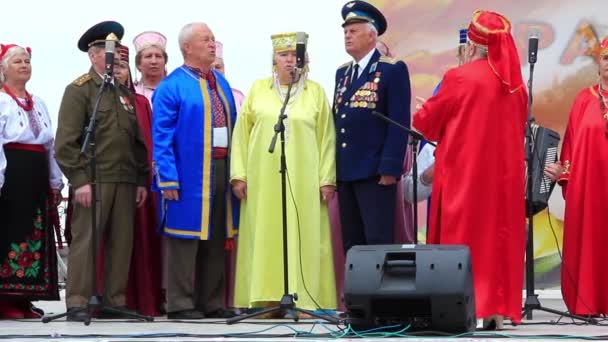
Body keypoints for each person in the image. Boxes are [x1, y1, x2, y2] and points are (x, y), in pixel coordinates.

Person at [413, 10, 527, 328]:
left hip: (466, 177)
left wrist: (425, 109)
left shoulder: (459, 77)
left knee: (465, 239)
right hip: (503, 181)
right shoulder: (516, 87)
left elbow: (426, 123)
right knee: (497, 240)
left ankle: (463, 308)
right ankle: (495, 310)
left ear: (472, 46)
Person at [230, 31, 337, 316]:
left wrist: (327, 178)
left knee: (304, 234)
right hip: (263, 177)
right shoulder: (257, 90)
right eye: (284, 55)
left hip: (305, 178)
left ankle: (304, 300)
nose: (290, 61)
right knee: (265, 234)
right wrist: (239, 174)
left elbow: (327, 139)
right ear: (274, 60)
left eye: (296, 56)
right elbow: (242, 135)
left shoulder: (316, 92)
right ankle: (266, 299)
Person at [54, 21, 149, 322]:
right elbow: (65, 144)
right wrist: (80, 180)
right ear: (94, 55)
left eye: (119, 51)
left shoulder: (123, 93)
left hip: (125, 178)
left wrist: (141, 180)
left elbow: (135, 142)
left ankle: (114, 299)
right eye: (110, 51)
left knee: (122, 242)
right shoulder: (80, 90)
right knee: (86, 241)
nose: (117, 57)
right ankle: (78, 301)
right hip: (94, 179)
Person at [152, 22, 238, 320]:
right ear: (187, 47)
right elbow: (160, 136)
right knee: (184, 239)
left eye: (214, 39)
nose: (213, 44)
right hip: (187, 173)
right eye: (206, 39)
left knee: (215, 236)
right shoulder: (171, 85)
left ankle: (212, 301)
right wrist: (168, 178)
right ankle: (180, 303)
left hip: (221, 168)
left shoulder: (221, 82)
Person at [333, 0, 411, 254]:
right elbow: (340, 121)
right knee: (352, 244)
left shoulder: (391, 69)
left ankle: (380, 295)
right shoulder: (342, 73)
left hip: (375, 172)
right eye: (345, 31)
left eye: (353, 30)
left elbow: (398, 123)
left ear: (371, 34)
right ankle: (357, 294)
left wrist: (389, 168)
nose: (347, 35)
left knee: (377, 242)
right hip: (346, 172)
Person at [544, 37, 608, 316]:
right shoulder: (584, 99)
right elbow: (570, 145)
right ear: (599, 64)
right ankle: (590, 302)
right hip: (590, 187)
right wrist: (563, 171)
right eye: (606, 58)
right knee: (592, 239)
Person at [0, 43, 63, 319]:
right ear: (3, 69)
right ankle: (5, 300)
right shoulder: (1, 101)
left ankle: (24, 298)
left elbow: (49, 145)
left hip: (35, 177)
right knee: (10, 235)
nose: (24, 65)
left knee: (34, 235)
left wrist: (54, 181)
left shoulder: (39, 103)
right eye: (17, 62)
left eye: (27, 61)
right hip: (11, 177)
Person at [114, 45, 163, 317]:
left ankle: (142, 300)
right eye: (115, 65)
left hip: (139, 181)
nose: (118, 71)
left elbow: (147, 143)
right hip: (108, 180)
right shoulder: (89, 96)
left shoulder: (141, 103)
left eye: (123, 67)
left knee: (141, 241)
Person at [132, 31, 168, 105]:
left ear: (165, 62)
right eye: (148, 56)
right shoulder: (131, 93)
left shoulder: (175, 90)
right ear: (138, 64)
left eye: (158, 56)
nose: (154, 61)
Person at [213, 41, 245, 112]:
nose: (214, 71)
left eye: (218, 67)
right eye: (209, 67)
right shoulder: (193, 97)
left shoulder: (238, 97)